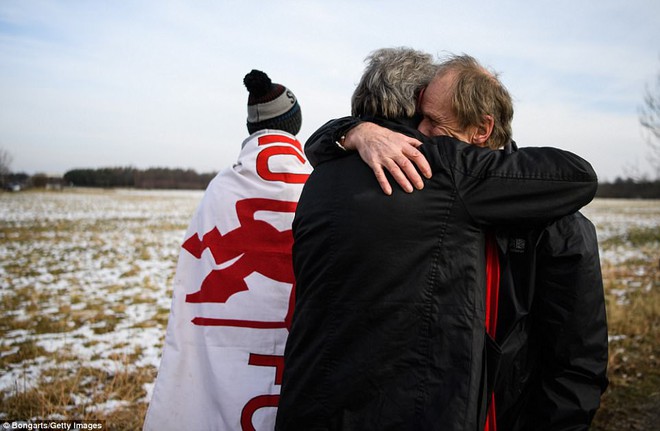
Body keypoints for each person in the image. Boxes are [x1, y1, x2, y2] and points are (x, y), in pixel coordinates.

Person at [276, 48, 598, 431]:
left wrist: (347, 131)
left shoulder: (322, 177)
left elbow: (572, 355)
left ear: (481, 129)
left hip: (309, 406)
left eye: (434, 120)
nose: (425, 133)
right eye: (422, 119)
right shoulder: (439, 169)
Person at [143, 70, 312, 431]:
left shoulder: (222, 186)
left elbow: (201, 254)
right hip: (298, 335)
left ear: (251, 127)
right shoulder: (316, 181)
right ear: (294, 123)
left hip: (230, 336)